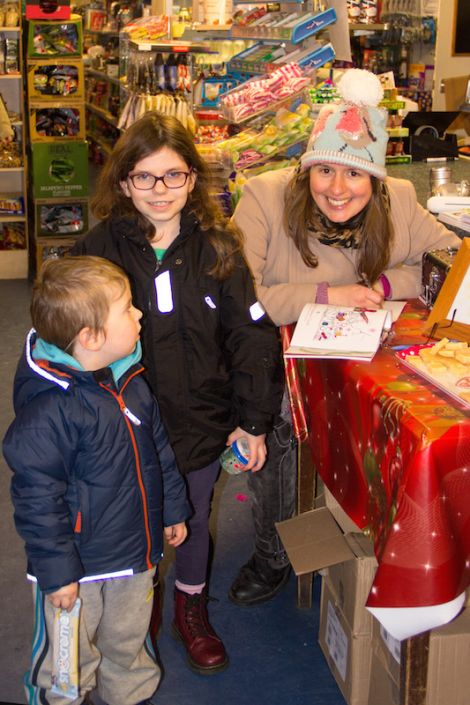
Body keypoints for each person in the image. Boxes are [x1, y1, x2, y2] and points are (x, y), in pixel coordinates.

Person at [230, 68, 462, 605]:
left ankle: (372, 527)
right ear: (306, 166)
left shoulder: (399, 198)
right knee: (280, 423)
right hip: (273, 348)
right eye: (325, 170)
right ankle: (271, 551)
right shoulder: (263, 197)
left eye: (355, 176)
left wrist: (381, 283)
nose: (338, 189)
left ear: (376, 180)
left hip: (359, 345)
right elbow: (248, 293)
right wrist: (332, 293)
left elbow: (445, 260)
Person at [71, 113, 284, 674]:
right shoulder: (95, 250)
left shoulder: (218, 247)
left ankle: (190, 604)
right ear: (122, 182)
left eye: (173, 176)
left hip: (200, 419)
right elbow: (66, 343)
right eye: (144, 177)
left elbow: (250, 334)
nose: (160, 191)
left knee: (191, 518)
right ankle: (137, 610)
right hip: (121, 428)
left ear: (194, 179)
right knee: (132, 525)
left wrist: (254, 420)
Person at [3, 256, 190, 705]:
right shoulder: (50, 410)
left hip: (135, 552)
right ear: (90, 338)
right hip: (77, 571)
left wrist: (172, 509)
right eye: (127, 309)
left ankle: (130, 696)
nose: (139, 313)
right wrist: (57, 573)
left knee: (129, 643)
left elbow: (158, 450)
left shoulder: (130, 379)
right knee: (67, 659)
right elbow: (37, 500)